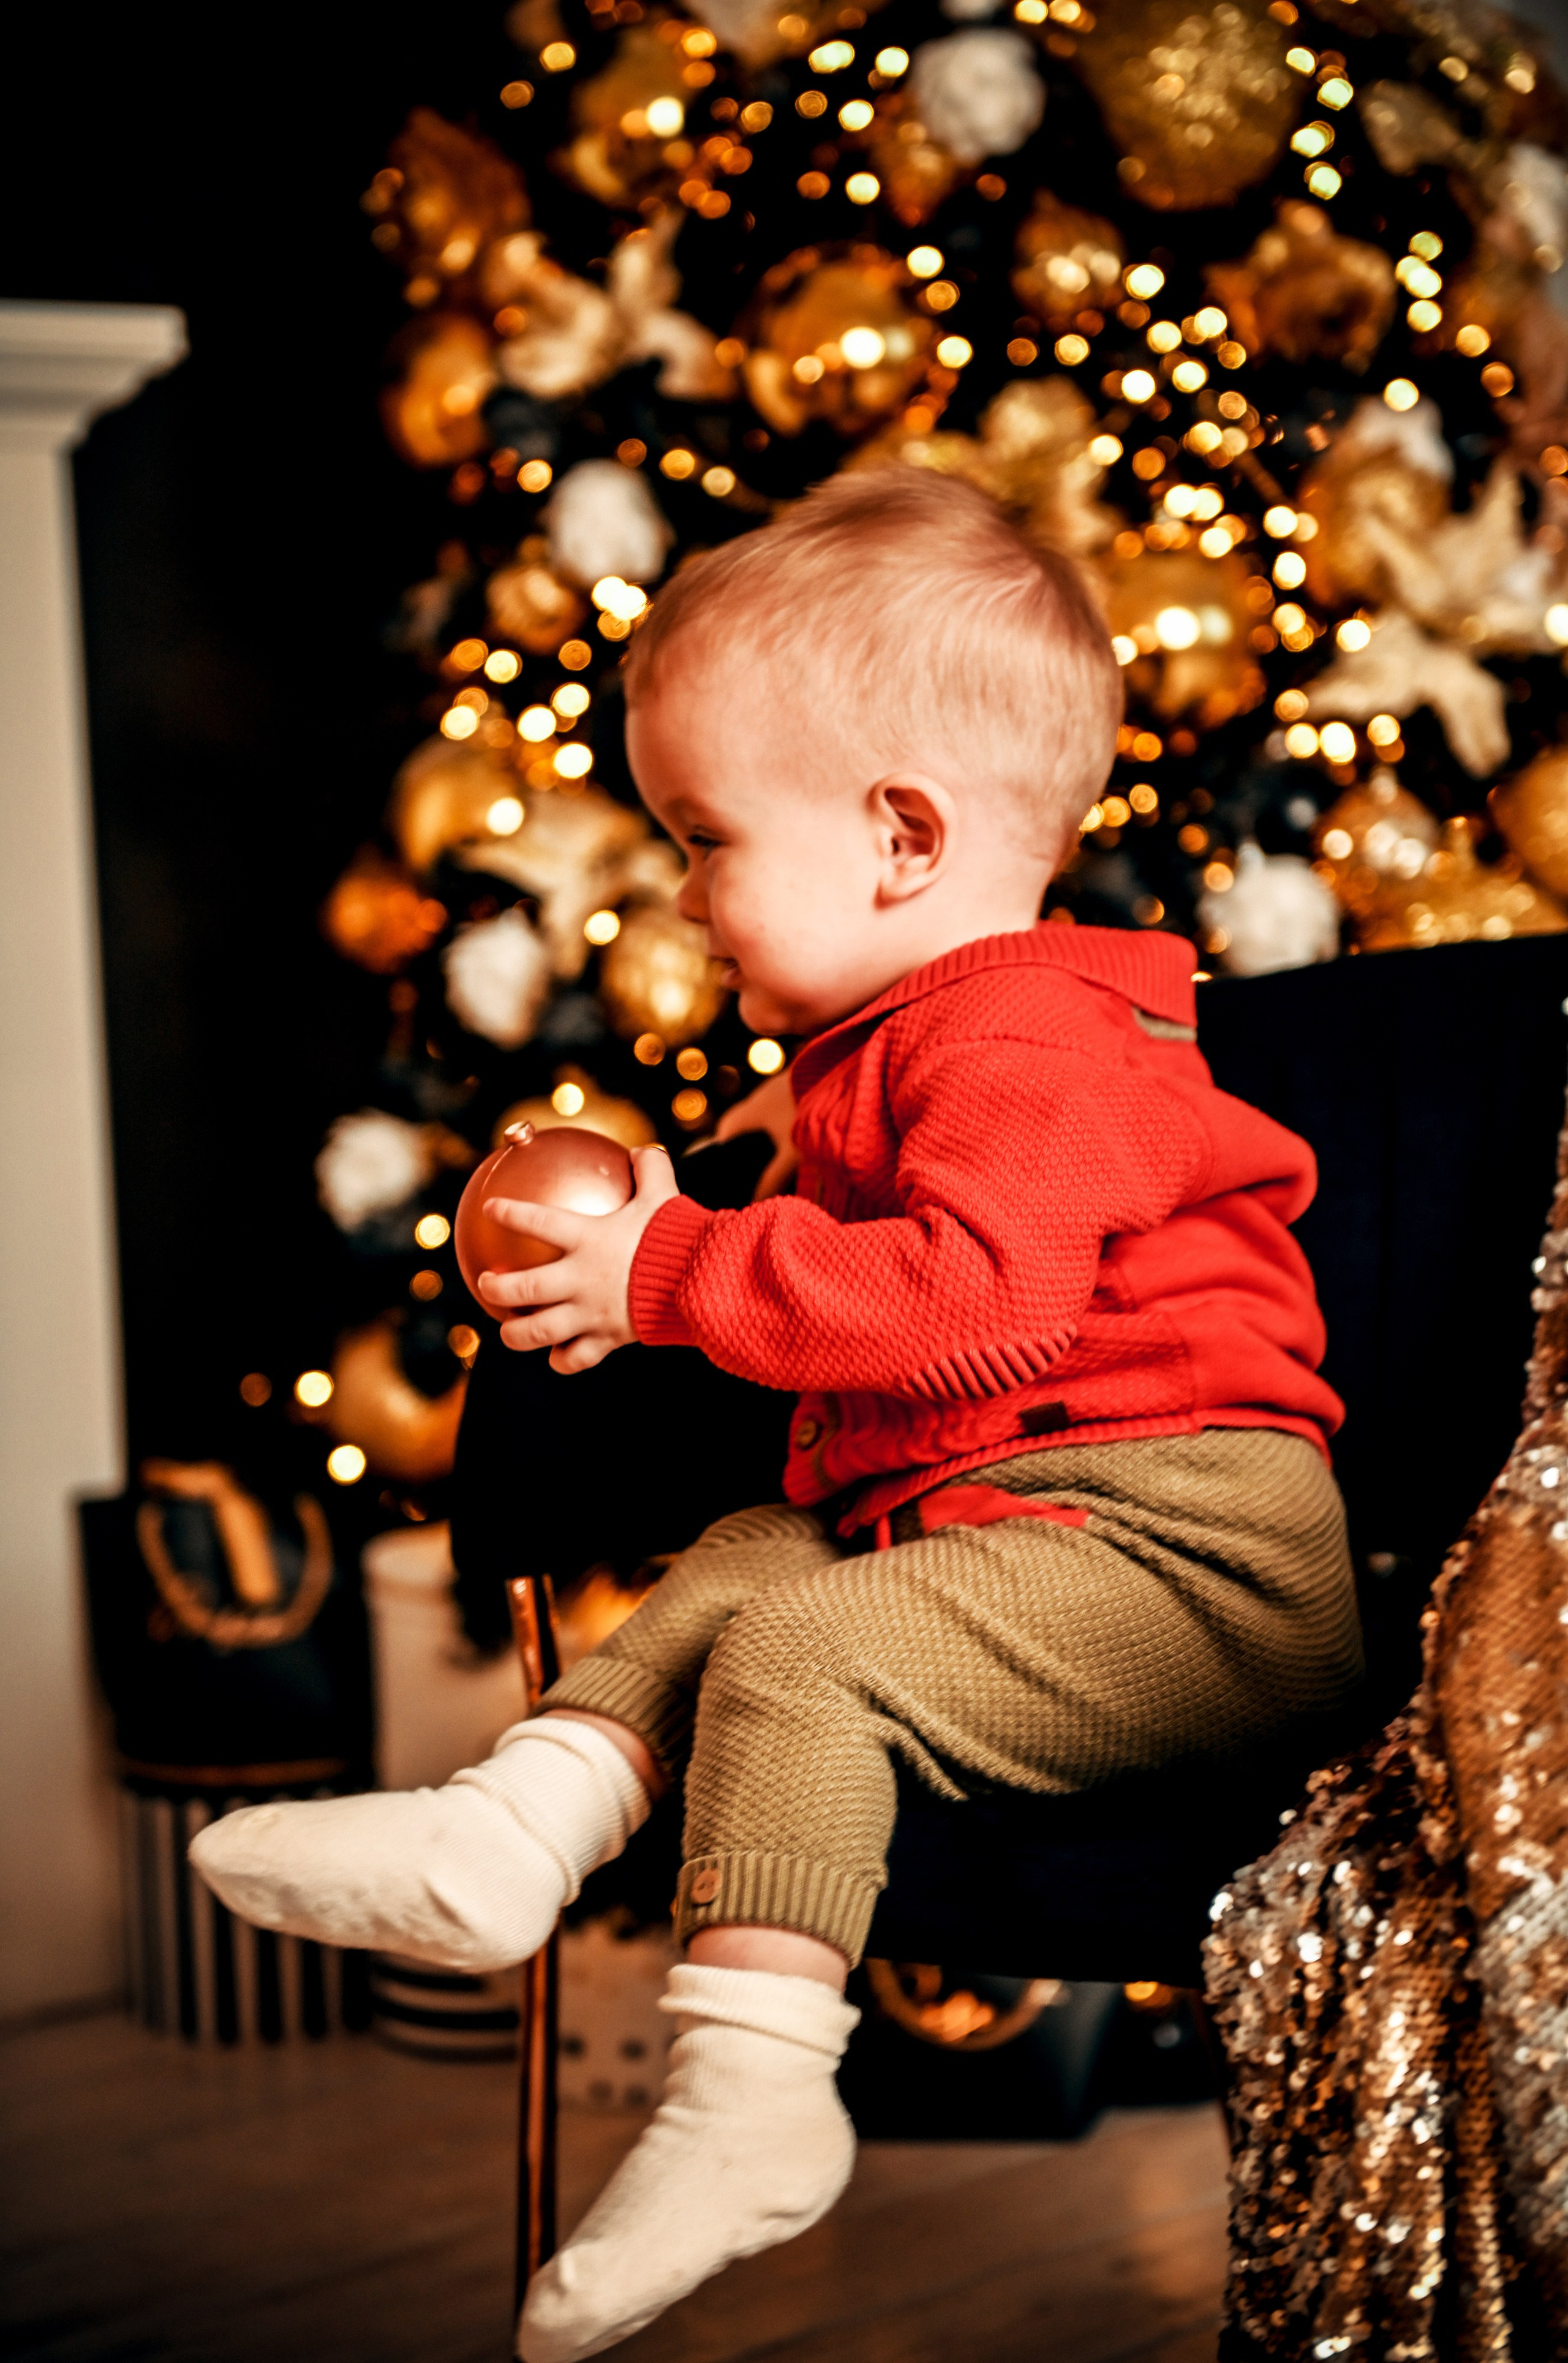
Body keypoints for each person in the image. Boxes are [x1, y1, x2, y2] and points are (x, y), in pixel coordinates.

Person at [192, 469, 1363, 2362]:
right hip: (1015, 1529)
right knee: (752, 1557)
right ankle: (514, 1831)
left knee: (811, 1640)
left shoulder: (1030, 1043)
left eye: (705, 833)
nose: (674, 887)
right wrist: (698, 1208)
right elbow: (839, 1240)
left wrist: (670, 1268)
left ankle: (751, 2101)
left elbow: (980, 1306)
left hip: (1191, 1568)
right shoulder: (897, 1041)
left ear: (902, 836)